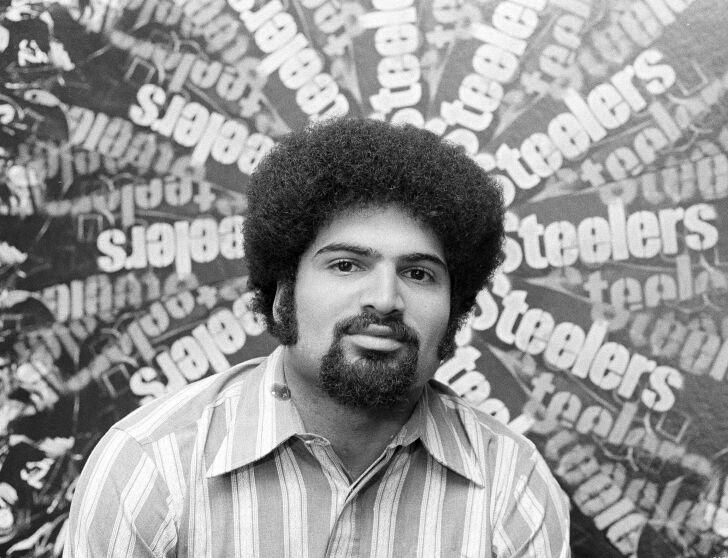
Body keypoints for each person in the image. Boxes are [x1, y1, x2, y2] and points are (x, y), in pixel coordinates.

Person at [64, 118, 571, 557]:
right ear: (284, 291)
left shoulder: (510, 480)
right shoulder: (151, 464)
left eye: (419, 274)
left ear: (455, 308)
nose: (386, 299)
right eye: (347, 265)